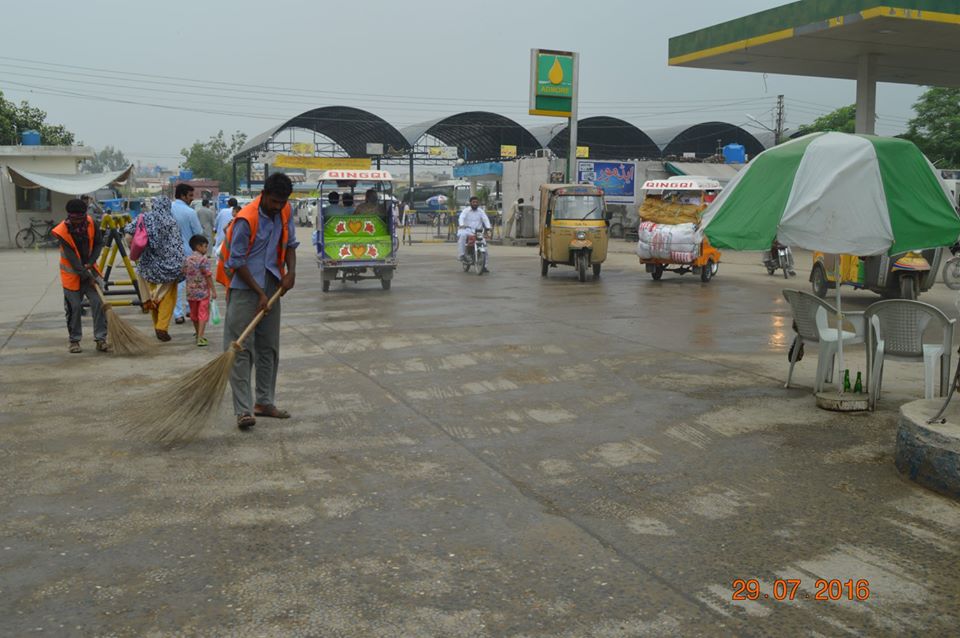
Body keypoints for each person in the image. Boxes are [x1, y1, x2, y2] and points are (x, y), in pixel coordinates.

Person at [218, 173, 298, 431]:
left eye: (282, 202)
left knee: (268, 348)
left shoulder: (285, 210)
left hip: (273, 282)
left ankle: (264, 402)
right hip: (244, 287)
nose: (277, 207)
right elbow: (236, 261)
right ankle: (243, 410)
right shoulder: (246, 219)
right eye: (274, 201)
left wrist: (290, 273)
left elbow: (291, 245)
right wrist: (259, 293)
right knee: (241, 348)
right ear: (263, 194)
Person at [124, 196, 185, 341]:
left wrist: (136, 251)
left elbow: (128, 236)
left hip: (148, 265)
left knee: (153, 297)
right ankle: (162, 327)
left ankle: (157, 325)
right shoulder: (171, 222)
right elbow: (178, 245)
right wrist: (181, 264)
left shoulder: (143, 218)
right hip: (169, 267)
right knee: (167, 298)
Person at [52, 199, 107, 353]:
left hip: (89, 270)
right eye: (74, 219)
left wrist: (91, 262)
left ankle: (101, 339)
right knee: (74, 307)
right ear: (69, 216)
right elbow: (73, 259)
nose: (77, 222)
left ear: (84, 215)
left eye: (80, 218)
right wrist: (86, 275)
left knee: (98, 303)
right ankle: (74, 340)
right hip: (72, 275)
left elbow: (98, 243)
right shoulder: (62, 231)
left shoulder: (91, 223)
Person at [170, 183, 202, 324]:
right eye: (190, 196)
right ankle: (190, 309)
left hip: (171, 252)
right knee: (191, 283)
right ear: (183, 195)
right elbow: (198, 233)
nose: (191, 199)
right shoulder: (190, 212)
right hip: (189, 253)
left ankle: (178, 314)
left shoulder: (168, 210)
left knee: (176, 285)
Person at [184, 234, 216, 346]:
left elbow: (183, 272)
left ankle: (198, 333)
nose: (206, 249)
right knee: (203, 314)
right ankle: (201, 337)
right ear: (198, 246)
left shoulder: (187, 259)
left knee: (194, 314)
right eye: (205, 246)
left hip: (190, 291)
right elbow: (208, 275)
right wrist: (214, 290)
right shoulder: (204, 260)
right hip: (203, 292)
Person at [457, 196, 491, 272]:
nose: (475, 203)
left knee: (485, 247)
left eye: (476, 202)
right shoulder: (466, 210)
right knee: (462, 236)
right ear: (470, 203)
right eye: (473, 202)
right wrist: (462, 224)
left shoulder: (481, 211)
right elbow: (461, 217)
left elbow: (485, 219)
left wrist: (488, 227)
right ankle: (462, 255)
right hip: (466, 230)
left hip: (477, 232)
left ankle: (484, 266)